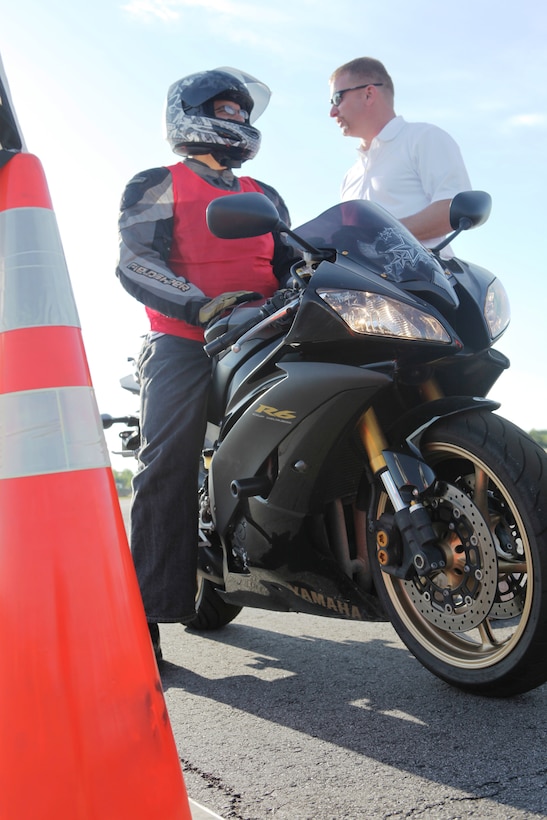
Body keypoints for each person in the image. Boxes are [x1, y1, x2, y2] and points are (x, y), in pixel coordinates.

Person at [116, 68, 294, 663]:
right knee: (166, 459)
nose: (239, 121)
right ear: (191, 113)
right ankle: (145, 619)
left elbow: (298, 257)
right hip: (186, 341)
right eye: (227, 108)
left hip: (270, 331)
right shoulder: (156, 183)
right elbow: (137, 261)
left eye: (244, 113)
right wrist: (200, 304)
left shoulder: (263, 195)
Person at [329, 57, 471, 251]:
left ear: (369, 94)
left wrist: (378, 236)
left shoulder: (424, 138)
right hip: (359, 281)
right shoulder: (350, 176)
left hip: (422, 279)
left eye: (337, 98)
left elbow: (454, 208)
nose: (332, 112)